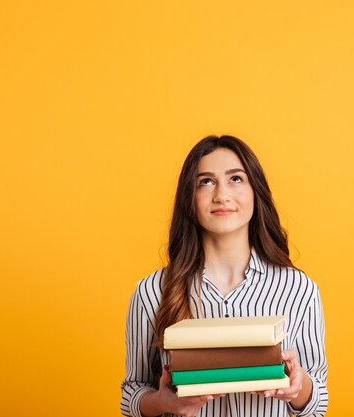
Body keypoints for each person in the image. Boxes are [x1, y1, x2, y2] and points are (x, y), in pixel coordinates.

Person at [121, 135, 328, 417]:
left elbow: (317, 404)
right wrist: (162, 402)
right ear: (189, 199)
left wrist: (299, 387)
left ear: (256, 191)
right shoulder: (151, 292)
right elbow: (132, 393)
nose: (221, 195)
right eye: (205, 182)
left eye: (236, 179)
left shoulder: (299, 290)